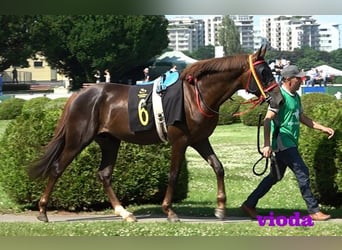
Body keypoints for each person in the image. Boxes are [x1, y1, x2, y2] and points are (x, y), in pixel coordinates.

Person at [240, 65, 335, 222]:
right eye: (298, 78)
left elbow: (301, 117)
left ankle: (249, 204)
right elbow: (267, 119)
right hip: (283, 142)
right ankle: (313, 210)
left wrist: (322, 128)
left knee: (274, 177)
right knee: (302, 172)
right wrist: (266, 144)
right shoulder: (279, 97)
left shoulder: (296, 97)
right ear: (288, 80)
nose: (302, 81)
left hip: (289, 142)